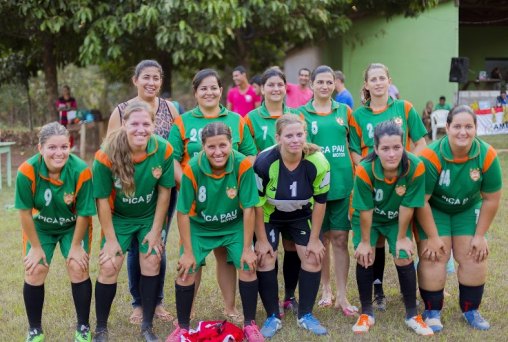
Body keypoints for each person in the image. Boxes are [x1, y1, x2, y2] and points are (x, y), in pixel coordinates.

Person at [169, 68, 258, 323]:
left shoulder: (237, 120)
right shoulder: (183, 122)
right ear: (195, 92)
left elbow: (251, 155)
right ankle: (189, 311)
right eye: (203, 88)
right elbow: (173, 159)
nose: (209, 92)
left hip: (230, 201)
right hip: (198, 203)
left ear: (221, 90)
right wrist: (190, 183)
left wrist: (239, 183)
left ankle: (230, 308)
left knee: (226, 258)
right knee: (192, 261)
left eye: (214, 87)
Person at [166, 122, 263, 342]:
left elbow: (249, 208)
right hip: (200, 226)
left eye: (223, 145)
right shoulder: (192, 167)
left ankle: (249, 324)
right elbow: (182, 213)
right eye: (211, 147)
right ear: (203, 147)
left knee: (248, 265)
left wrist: (248, 248)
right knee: (186, 269)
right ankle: (182, 327)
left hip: (232, 225)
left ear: (231, 144)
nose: (217, 152)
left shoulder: (242, 165)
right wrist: (188, 252)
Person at [415, 105, 502, 332]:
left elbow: (491, 199)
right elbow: (421, 201)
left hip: (467, 208)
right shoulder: (430, 156)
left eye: (468, 126)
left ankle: (470, 309)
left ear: (476, 129)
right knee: (434, 255)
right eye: (457, 126)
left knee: (474, 255)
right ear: (447, 127)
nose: (463, 132)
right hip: (435, 208)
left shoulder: (487, 155)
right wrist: (433, 237)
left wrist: (480, 235)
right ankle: (432, 311)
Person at [93, 101, 174, 342]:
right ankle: (100, 329)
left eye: (146, 123)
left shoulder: (164, 150)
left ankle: (147, 326)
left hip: (148, 217)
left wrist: (156, 230)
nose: (141, 129)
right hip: (118, 218)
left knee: (151, 260)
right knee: (108, 265)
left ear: (154, 125)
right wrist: (110, 240)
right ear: (124, 124)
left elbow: (164, 193)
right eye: (134, 124)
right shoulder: (105, 155)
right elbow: (101, 201)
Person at [350, 63, 428, 311]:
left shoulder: (404, 108)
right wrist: (370, 171)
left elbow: (421, 143)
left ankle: (421, 291)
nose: (378, 82)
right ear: (366, 84)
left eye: (382, 77)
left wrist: (405, 168)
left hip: (401, 184)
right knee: (375, 240)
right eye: (372, 79)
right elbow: (353, 149)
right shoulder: (358, 115)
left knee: (404, 237)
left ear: (389, 80)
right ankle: (378, 290)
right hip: (371, 181)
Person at [107, 59, 179, 325]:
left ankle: (156, 301)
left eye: (156, 78)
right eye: (146, 77)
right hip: (129, 192)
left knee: (156, 242)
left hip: (161, 189)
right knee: (135, 247)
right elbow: (110, 153)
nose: (151, 82)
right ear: (135, 80)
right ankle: (138, 303)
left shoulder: (170, 109)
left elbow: (177, 147)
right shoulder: (121, 111)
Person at [351, 120, 433, 336]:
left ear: (403, 147)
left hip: (397, 218)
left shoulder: (415, 166)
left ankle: (412, 314)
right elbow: (366, 210)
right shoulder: (364, 169)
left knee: (404, 253)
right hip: (369, 218)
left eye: (397, 147)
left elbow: (408, 205)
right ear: (376, 149)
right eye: (385, 148)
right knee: (365, 255)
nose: (391, 154)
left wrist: (403, 237)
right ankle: (366, 313)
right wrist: (366, 242)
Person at [15, 122, 96, 342]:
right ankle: (34, 329)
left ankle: (83, 326)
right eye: (52, 147)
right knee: (35, 270)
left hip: (73, 226)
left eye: (63, 147)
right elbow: (24, 212)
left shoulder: (81, 170)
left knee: (77, 267)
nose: (58, 153)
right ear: (40, 148)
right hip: (41, 227)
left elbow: (84, 213)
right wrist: (36, 248)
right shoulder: (27, 171)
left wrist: (77, 246)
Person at [254, 115, 330, 338]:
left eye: (299, 134)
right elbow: (257, 205)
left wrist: (315, 239)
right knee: (265, 256)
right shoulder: (264, 162)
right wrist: (261, 239)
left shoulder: (319, 162)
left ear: (305, 135)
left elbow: (321, 203)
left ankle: (305, 314)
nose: (295, 140)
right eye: (289, 135)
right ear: (278, 138)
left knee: (313, 256)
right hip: (269, 215)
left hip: (300, 214)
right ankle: (272, 316)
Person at [299, 65, 357, 316]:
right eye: (320, 82)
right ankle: (325, 290)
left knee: (341, 239)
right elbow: (296, 145)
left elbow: (354, 145)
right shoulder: (301, 113)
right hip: (314, 188)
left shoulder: (344, 111)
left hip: (343, 183)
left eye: (329, 82)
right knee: (320, 239)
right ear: (311, 84)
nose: (324, 86)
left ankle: (343, 296)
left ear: (335, 84)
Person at [245, 68, 302, 319]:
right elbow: (248, 153)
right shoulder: (250, 118)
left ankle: (289, 296)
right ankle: (271, 302)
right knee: (268, 247)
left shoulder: (296, 116)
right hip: (263, 193)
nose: (276, 89)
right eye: (271, 85)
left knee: (291, 245)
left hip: (293, 192)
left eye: (280, 84)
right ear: (262, 88)